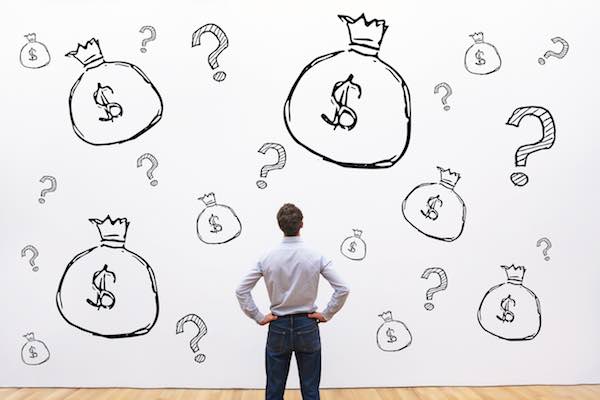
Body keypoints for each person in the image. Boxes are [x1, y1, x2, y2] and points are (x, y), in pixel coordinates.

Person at [235, 203, 350, 400]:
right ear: (302, 224)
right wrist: (327, 313)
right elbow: (343, 288)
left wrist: (258, 316)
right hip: (307, 324)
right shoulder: (316, 255)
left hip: (278, 325)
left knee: (274, 389)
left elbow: (241, 289)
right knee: (311, 389)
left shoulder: (267, 257)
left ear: (279, 225)